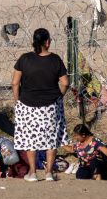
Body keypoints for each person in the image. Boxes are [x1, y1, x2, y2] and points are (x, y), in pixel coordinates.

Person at [12, 28, 69, 182]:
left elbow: (15, 83)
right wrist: (59, 96)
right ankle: (49, 172)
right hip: (50, 105)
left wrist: (17, 101)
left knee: (30, 139)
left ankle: (32, 172)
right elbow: (65, 83)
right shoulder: (55, 60)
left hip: (27, 104)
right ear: (47, 42)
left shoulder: (24, 59)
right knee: (51, 138)